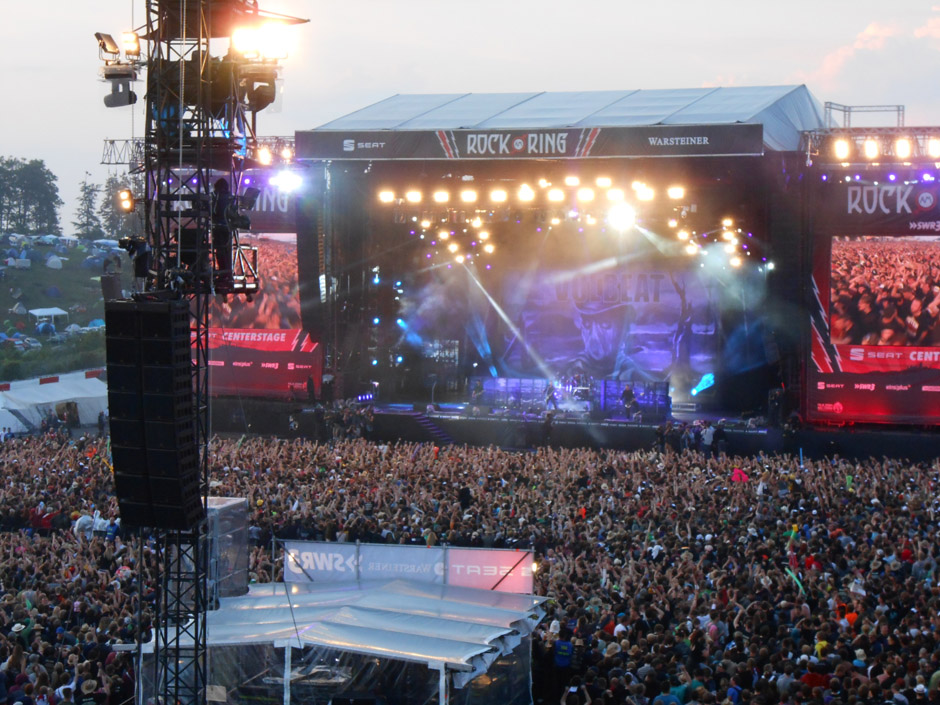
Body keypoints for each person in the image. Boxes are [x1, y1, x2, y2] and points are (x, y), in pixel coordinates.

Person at [563, 299, 641, 380]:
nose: (594, 335)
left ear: (622, 329)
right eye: (587, 324)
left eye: (605, 324)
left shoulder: (635, 376)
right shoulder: (569, 372)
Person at [212, 177, 234, 293]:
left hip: (219, 227)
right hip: (228, 228)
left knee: (220, 251)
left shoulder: (217, 196)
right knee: (227, 251)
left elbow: (214, 212)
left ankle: (222, 273)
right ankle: (227, 273)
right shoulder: (231, 198)